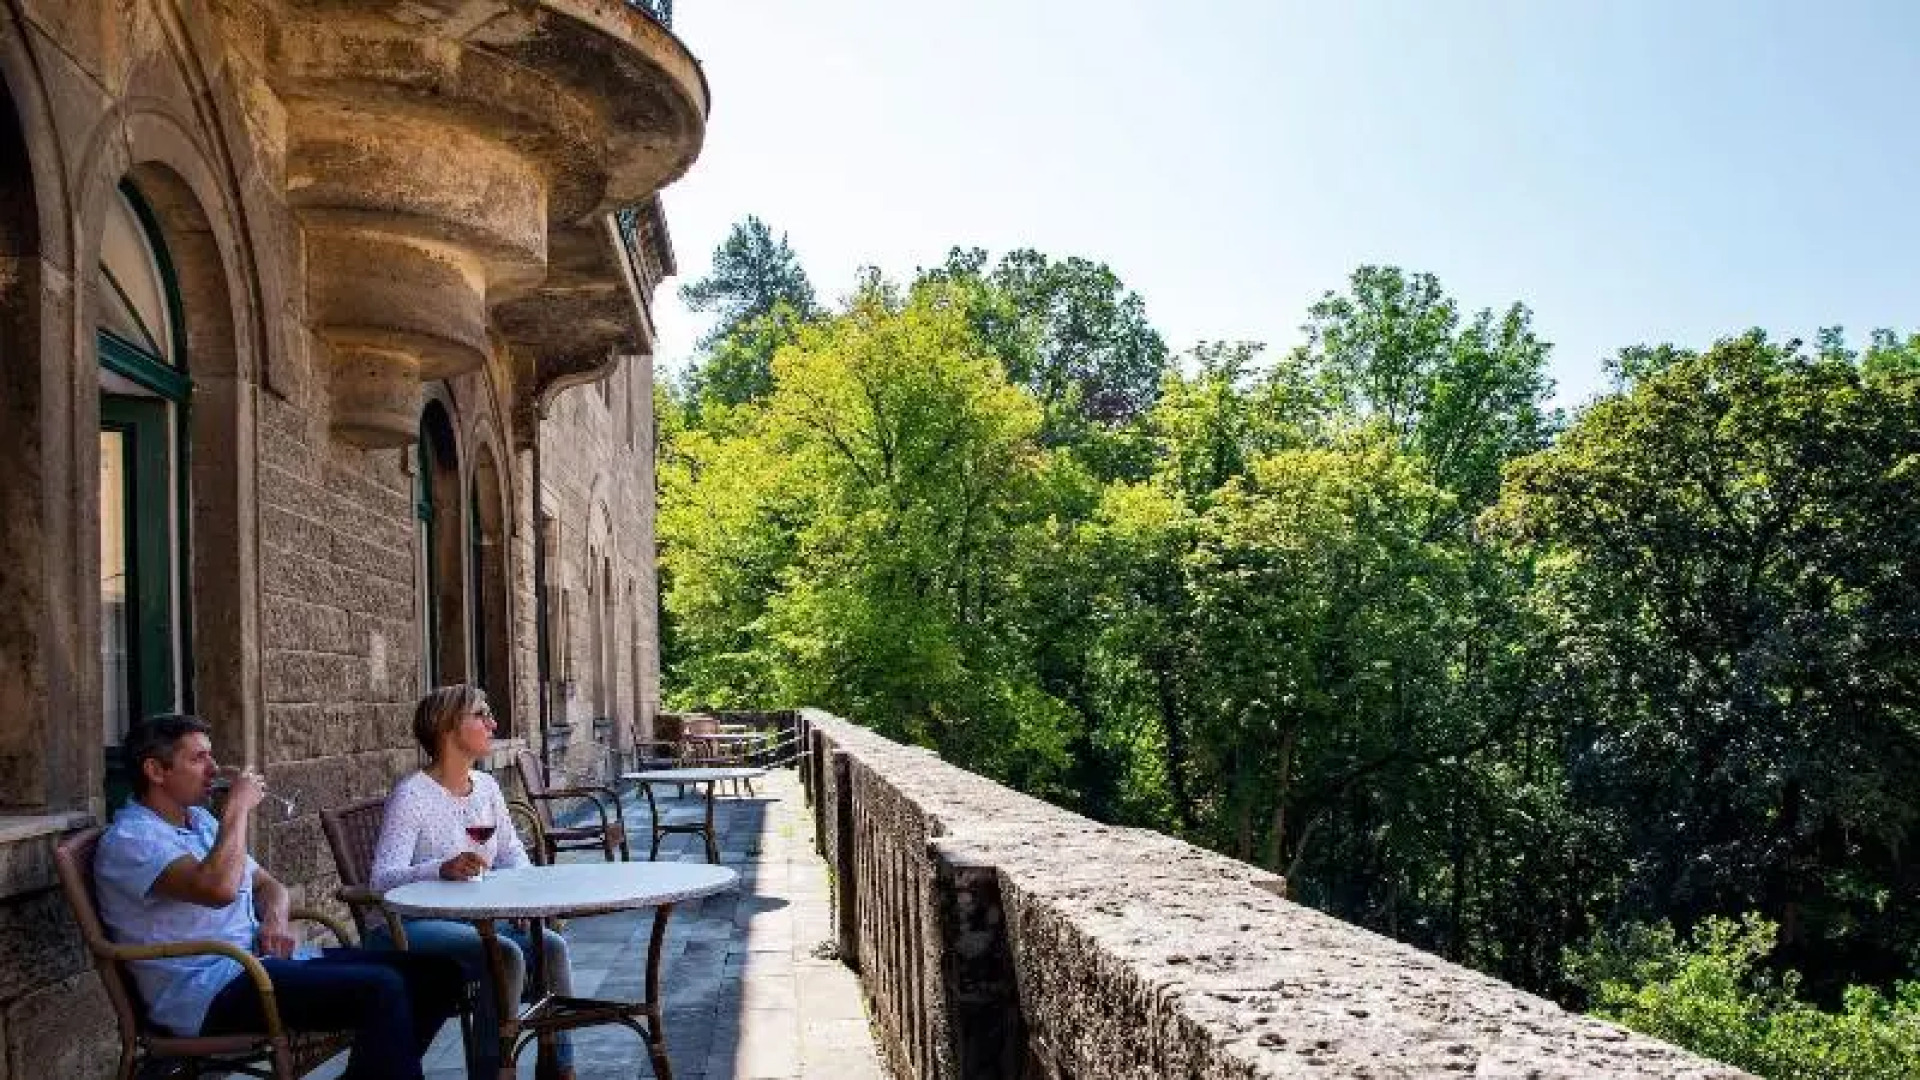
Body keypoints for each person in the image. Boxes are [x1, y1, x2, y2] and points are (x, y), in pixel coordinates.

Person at [94, 713, 463, 1080]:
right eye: (198, 758)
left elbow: (269, 885)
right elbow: (218, 889)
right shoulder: (132, 840)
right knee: (382, 988)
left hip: (258, 966)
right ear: (155, 771)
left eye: (211, 755)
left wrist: (274, 919)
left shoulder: (199, 822)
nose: (214, 768)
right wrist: (237, 808)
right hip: (207, 991)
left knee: (438, 974)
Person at [370, 684, 578, 1079]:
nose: (493, 724)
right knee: (505, 955)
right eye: (481, 715)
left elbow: (512, 854)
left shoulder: (486, 787)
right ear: (447, 726)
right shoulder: (412, 796)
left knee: (551, 946)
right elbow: (381, 881)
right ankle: (495, 1072)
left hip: (473, 918)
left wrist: (522, 900)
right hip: (410, 925)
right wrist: (439, 868)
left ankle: (559, 1069)